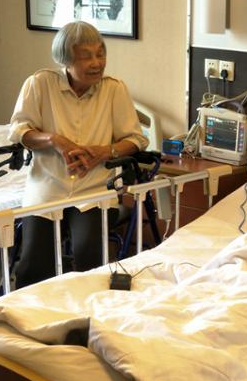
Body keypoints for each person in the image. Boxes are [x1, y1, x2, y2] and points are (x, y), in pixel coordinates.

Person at [9, 21, 148, 288]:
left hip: (93, 190)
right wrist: (54, 140)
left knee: (89, 255)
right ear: (66, 59)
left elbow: (136, 139)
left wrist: (104, 152)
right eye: (86, 56)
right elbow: (18, 131)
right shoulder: (39, 84)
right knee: (34, 264)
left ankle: (87, 307)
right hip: (47, 188)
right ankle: (30, 308)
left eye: (100, 54)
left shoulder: (114, 89)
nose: (97, 63)